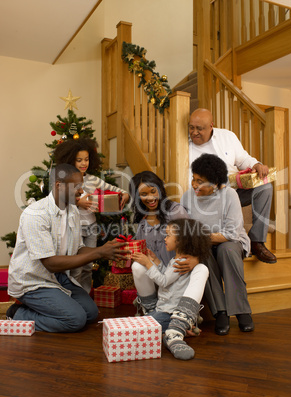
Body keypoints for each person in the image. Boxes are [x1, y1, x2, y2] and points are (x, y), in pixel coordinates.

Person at [7, 164, 129, 333]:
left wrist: (106, 250)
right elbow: (50, 263)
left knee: (91, 313)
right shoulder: (35, 214)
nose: (82, 192)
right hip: (33, 281)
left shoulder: (73, 211)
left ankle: (46, 307)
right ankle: (18, 313)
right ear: (59, 185)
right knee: (75, 320)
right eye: (77, 187)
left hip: (58, 278)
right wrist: (99, 252)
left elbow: (78, 249)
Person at [188, 108, 276, 264]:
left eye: (199, 129)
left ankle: (257, 241)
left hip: (234, 191)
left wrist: (256, 164)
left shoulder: (227, 136)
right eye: (191, 127)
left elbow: (243, 160)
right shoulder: (184, 147)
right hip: (208, 197)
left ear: (211, 127)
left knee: (265, 187)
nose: (194, 132)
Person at [181, 153, 254, 335]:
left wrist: (199, 236)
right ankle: (220, 311)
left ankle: (241, 309)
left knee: (227, 251)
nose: (194, 185)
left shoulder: (229, 195)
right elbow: (185, 229)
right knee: (202, 253)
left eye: (201, 181)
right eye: (193, 179)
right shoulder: (187, 197)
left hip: (231, 242)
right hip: (205, 245)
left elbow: (231, 234)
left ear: (215, 183)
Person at [54, 138, 130, 293]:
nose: (84, 163)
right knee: (75, 266)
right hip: (73, 228)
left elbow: (117, 189)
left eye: (87, 159)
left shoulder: (93, 180)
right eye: (79, 160)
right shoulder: (66, 181)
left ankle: (86, 295)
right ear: (70, 160)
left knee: (88, 266)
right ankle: (73, 297)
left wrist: (125, 194)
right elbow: (58, 203)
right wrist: (77, 202)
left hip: (91, 227)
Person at [132, 218, 210, 361]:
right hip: (163, 309)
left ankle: (171, 333)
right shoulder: (177, 260)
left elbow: (163, 281)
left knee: (140, 327)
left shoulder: (179, 262)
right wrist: (156, 261)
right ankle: (177, 330)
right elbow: (168, 279)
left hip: (168, 312)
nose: (165, 238)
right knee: (144, 324)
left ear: (180, 241)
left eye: (168, 235)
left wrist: (147, 264)